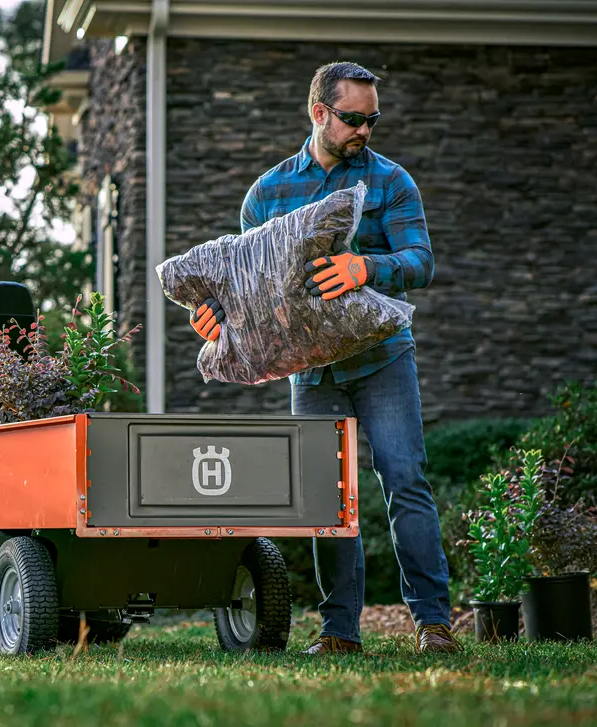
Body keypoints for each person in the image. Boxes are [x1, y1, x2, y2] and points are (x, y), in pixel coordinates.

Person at [190, 61, 459, 655]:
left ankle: (433, 623)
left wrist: (367, 266)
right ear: (319, 112)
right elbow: (247, 288)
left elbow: (421, 260)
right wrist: (216, 317)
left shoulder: (391, 182)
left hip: (383, 359)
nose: (365, 129)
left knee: (405, 481)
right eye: (353, 118)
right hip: (310, 371)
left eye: (373, 119)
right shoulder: (267, 194)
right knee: (327, 497)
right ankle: (340, 632)